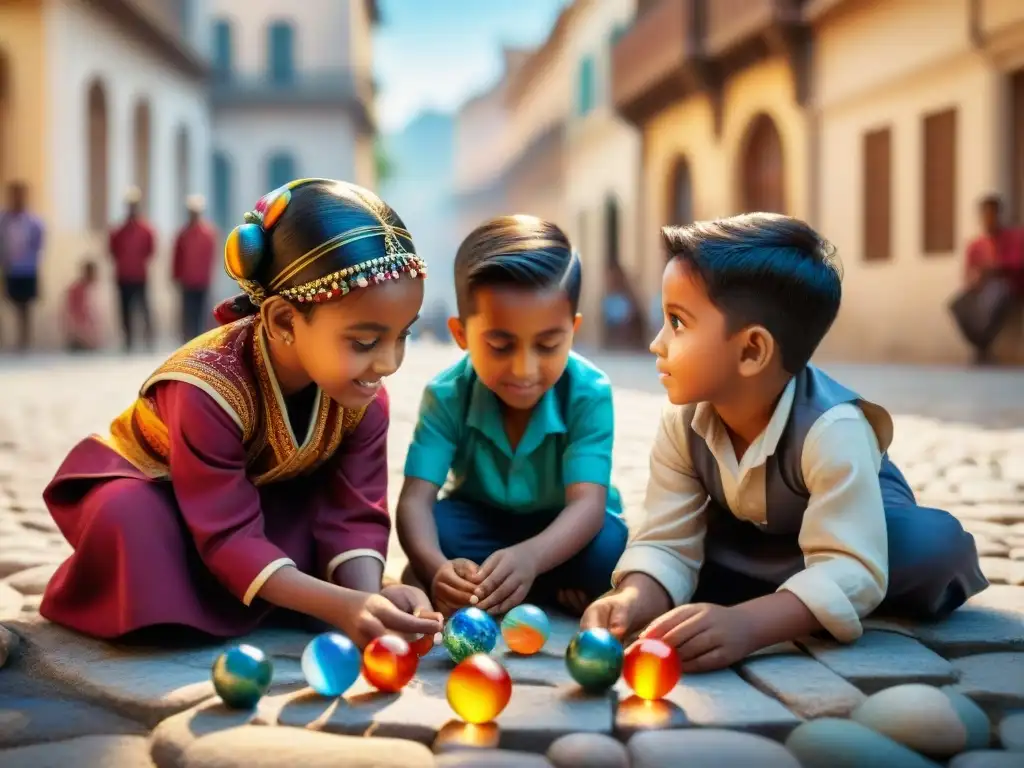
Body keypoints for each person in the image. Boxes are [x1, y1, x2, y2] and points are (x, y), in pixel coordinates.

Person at [40, 178, 442, 647]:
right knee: (131, 523)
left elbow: (354, 509)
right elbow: (226, 527)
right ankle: (275, 590)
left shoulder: (362, 394)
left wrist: (368, 598)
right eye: (365, 342)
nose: (389, 364)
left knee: (302, 522)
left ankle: (285, 588)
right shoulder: (205, 389)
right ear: (283, 320)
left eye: (403, 336)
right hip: (161, 492)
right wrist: (340, 605)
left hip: (252, 500)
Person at [582, 213, 987, 672]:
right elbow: (668, 539)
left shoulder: (832, 428)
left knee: (928, 549)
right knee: (614, 557)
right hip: (752, 542)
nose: (657, 343)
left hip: (858, 529)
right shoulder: (684, 419)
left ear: (753, 350)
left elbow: (850, 563)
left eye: (677, 322)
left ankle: (791, 599)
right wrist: (635, 596)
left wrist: (749, 625)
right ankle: (791, 593)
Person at [396, 214, 628, 618]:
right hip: (480, 520)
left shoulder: (590, 392)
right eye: (501, 346)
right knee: (440, 528)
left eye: (548, 345)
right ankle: (521, 588)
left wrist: (533, 557)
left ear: (572, 331)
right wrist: (436, 569)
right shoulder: (446, 394)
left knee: (610, 551)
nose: (524, 369)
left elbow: (587, 506)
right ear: (461, 335)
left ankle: (510, 584)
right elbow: (415, 499)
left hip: (566, 526)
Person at [956, 195, 1024, 364]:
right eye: (985, 215)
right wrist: (975, 281)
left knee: (994, 293)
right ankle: (981, 346)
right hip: (982, 288)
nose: (989, 219)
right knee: (959, 305)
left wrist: (994, 269)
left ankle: (982, 347)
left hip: (1009, 286)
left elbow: (1017, 264)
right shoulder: (975, 246)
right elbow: (968, 274)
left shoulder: (1015, 238)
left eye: (992, 214)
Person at [109, 187, 156, 352]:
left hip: (140, 275)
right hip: (123, 275)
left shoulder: (146, 230)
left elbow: (150, 250)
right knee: (125, 310)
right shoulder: (118, 231)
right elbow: (112, 250)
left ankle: (149, 338)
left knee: (144, 308)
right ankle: (128, 340)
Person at [0, 181, 45, 352]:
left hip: (27, 268)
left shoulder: (33, 221)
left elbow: (38, 243)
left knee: (25, 306)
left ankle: (24, 342)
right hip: (8, 268)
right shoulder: (3, 220)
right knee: (8, 303)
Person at [173, 194, 219, 343]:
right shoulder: (183, 234)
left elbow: (212, 257)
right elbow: (177, 257)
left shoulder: (208, 234)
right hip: (187, 280)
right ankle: (187, 339)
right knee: (187, 313)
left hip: (202, 281)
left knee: (201, 312)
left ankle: (199, 340)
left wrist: (209, 276)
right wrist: (176, 275)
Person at [62, 260, 101, 352]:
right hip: (78, 331)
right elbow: (74, 313)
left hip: (85, 332)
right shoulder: (78, 289)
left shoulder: (91, 289)